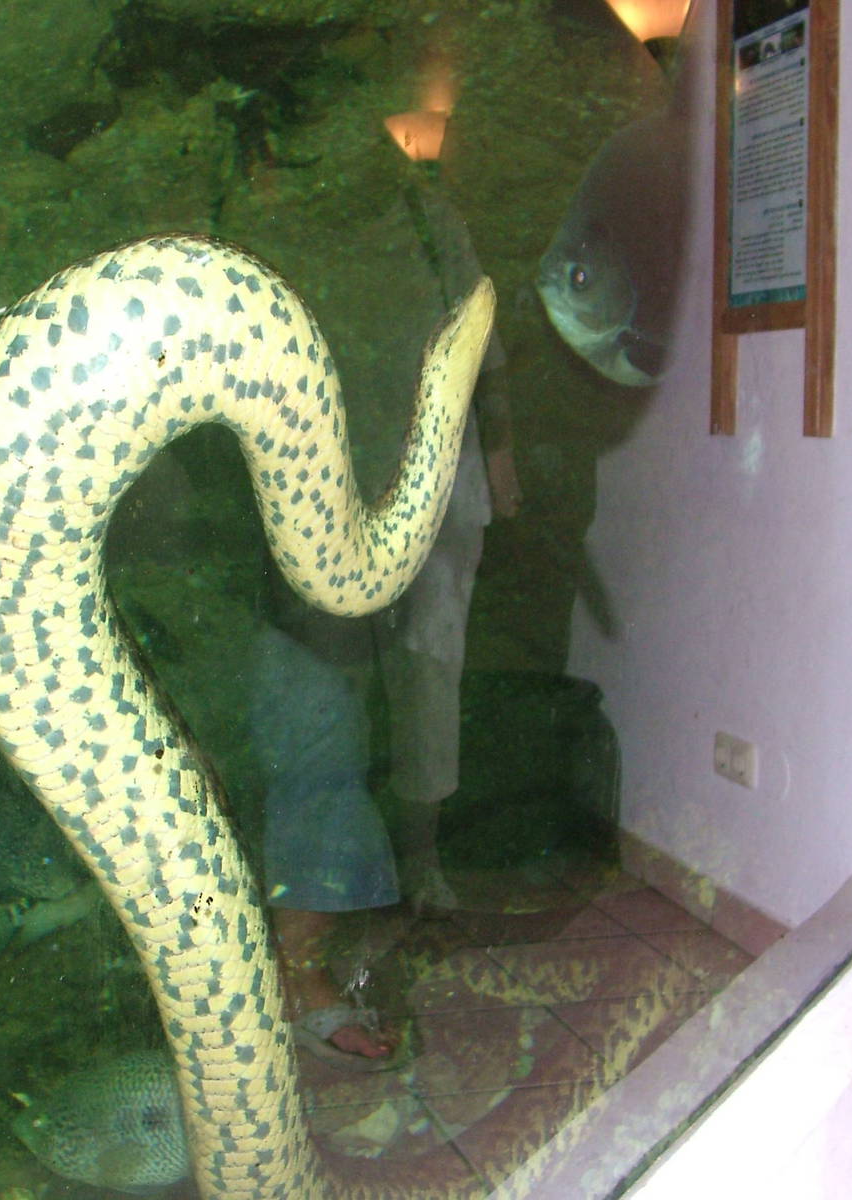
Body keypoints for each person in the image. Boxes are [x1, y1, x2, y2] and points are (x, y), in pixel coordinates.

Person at [252, 170, 521, 1068]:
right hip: (307, 505)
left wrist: (504, 455)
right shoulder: (271, 205)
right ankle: (293, 965)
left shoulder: (424, 212)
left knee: (409, 696)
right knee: (317, 716)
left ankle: (409, 877)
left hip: (422, 503)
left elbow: (484, 354)